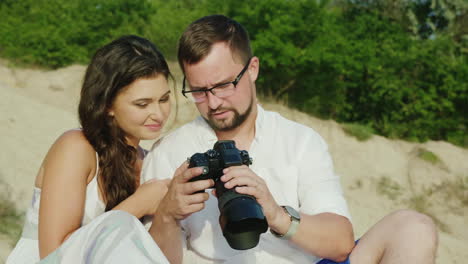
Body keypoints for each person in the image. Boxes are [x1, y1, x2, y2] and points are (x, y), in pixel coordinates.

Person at [142, 15, 439, 264]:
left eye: (223, 85)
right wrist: (167, 214)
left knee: (414, 227)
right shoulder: (170, 153)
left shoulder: (299, 140)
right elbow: (150, 260)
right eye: (198, 91)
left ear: (253, 69)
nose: (214, 101)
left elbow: (340, 242)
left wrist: (276, 214)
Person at [7, 35, 175, 264]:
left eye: (164, 99)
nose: (158, 113)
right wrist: (140, 204)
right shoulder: (77, 148)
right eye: (142, 104)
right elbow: (53, 255)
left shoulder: (149, 162)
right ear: (108, 105)